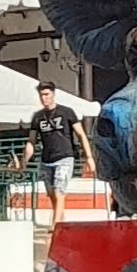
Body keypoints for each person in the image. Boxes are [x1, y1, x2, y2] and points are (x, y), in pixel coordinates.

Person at [27, 81, 91, 210]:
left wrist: (88, 157)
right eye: (41, 95)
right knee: (51, 194)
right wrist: (25, 160)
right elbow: (31, 141)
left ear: (53, 94)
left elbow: (81, 134)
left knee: (59, 192)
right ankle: (60, 218)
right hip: (46, 159)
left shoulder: (66, 112)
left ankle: (55, 222)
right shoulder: (38, 117)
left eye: (46, 94)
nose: (44, 98)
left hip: (64, 157)